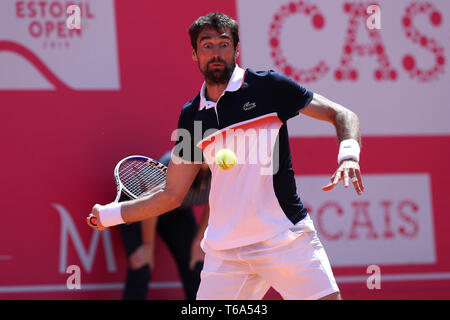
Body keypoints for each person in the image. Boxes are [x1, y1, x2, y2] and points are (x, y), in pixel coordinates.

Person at [88, 12, 365, 300]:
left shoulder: (268, 88)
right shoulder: (191, 116)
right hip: (227, 254)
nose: (216, 52)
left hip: (285, 238)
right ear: (195, 54)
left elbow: (341, 114)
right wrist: (108, 215)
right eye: (206, 45)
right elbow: (171, 194)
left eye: (223, 43)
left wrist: (348, 155)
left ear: (236, 48)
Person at [119, 151, 210, 300]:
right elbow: (152, 203)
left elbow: (214, 203)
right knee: (142, 265)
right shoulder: (173, 163)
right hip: (139, 205)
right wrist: (147, 246)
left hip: (176, 210)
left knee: (195, 264)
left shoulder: (220, 169)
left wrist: (198, 242)